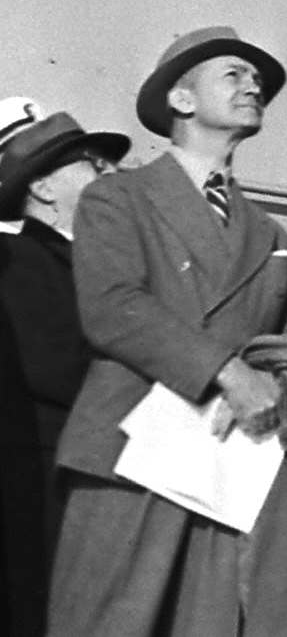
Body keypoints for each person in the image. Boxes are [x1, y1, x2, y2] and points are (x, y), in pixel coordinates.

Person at [46, 28, 287, 637]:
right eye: (234, 74)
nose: (254, 86)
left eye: (258, 81)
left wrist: (278, 382)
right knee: (111, 623)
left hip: (229, 466)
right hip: (130, 453)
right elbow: (114, 306)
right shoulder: (118, 197)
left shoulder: (272, 235)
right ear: (182, 100)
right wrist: (231, 373)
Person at [0, 101, 129, 637]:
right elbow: (57, 367)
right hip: (52, 498)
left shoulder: (112, 267)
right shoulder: (19, 262)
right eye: (92, 161)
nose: (113, 170)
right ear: (44, 189)